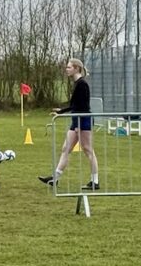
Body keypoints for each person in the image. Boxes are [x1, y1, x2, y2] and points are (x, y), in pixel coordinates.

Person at [39, 58, 99, 191]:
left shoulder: (82, 84)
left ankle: (95, 181)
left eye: (69, 67)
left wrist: (78, 124)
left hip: (83, 120)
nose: (66, 69)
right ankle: (55, 178)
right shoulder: (77, 83)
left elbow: (83, 106)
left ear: (76, 68)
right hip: (76, 119)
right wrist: (61, 111)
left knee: (88, 149)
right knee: (66, 148)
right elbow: (74, 105)